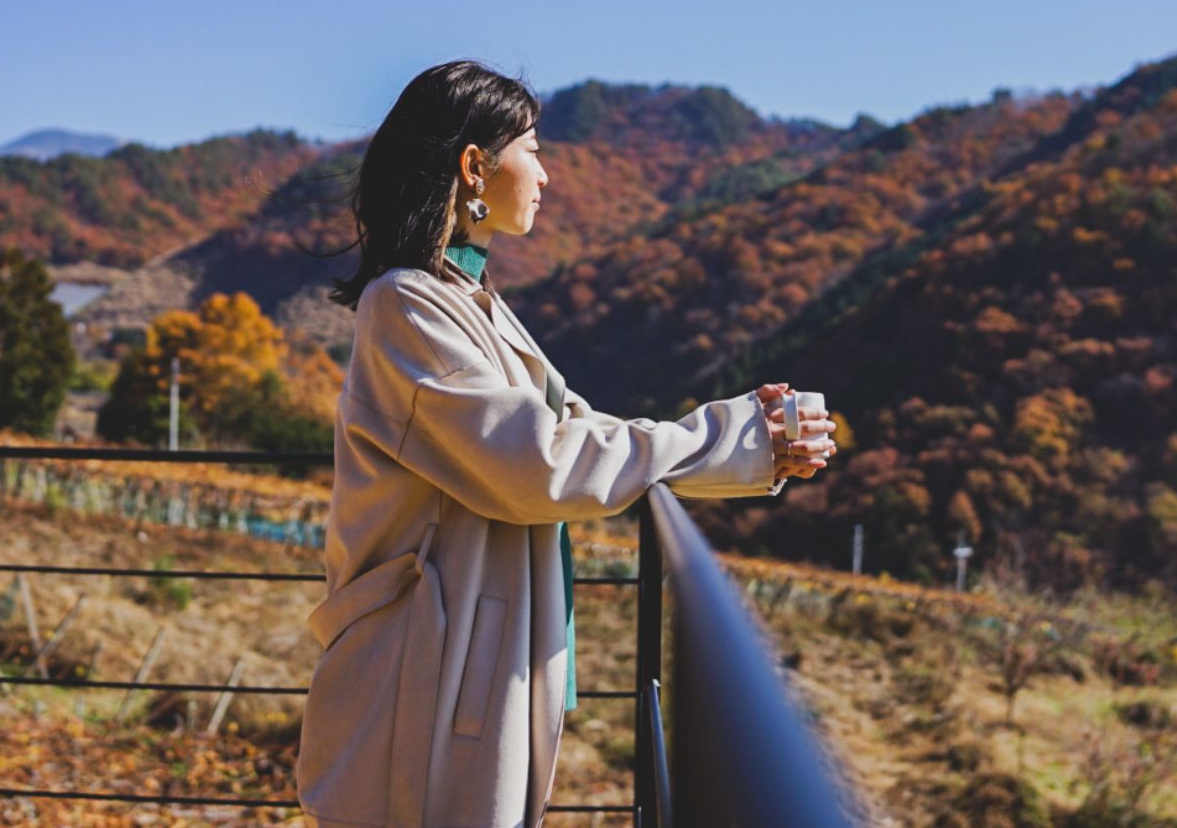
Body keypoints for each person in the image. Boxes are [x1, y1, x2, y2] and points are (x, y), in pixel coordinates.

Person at [296, 61, 837, 828]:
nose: (547, 173)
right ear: (474, 165)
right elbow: (545, 463)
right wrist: (729, 433)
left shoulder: (469, 302)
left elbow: (581, 433)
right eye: (535, 149)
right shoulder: (406, 306)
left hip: (460, 667)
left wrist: (752, 444)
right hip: (422, 683)